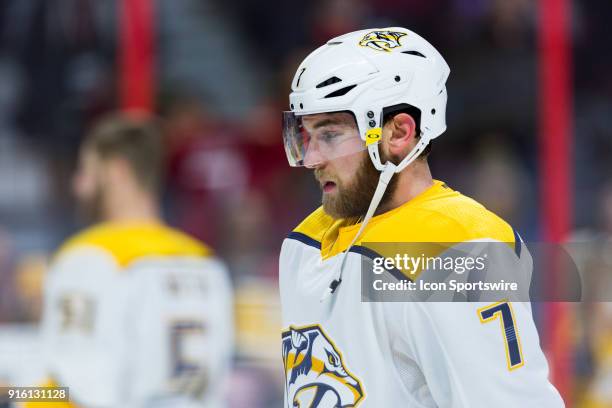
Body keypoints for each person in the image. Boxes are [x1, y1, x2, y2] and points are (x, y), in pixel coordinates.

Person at [279, 28, 564, 406]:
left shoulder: (459, 246)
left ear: (399, 132)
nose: (311, 158)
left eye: (330, 135)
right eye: (306, 136)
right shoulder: (305, 241)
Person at [31, 114, 233, 407]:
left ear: (117, 171)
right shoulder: (206, 261)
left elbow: (72, 386)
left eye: (86, 171)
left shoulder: (90, 255)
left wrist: (18, 394)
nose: (79, 186)